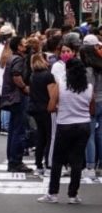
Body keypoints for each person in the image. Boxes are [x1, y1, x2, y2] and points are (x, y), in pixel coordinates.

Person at [39, 58, 93, 204]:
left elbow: (50, 107)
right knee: (77, 160)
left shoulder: (61, 86)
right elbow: (92, 109)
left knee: (57, 160)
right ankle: (73, 195)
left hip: (65, 125)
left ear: (67, 71)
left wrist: (61, 107)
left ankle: (53, 193)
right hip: (83, 125)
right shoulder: (89, 88)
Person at [0, 36, 32, 173]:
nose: (27, 45)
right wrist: (25, 87)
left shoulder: (12, 58)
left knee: (14, 129)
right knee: (19, 130)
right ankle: (15, 161)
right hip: (18, 97)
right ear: (19, 47)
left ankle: (13, 160)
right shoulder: (18, 59)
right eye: (24, 43)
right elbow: (16, 75)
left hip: (12, 97)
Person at [80, 34, 102, 179]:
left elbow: (90, 88)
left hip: (93, 102)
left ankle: (90, 165)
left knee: (90, 135)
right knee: (100, 133)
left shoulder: (88, 67)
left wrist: (89, 104)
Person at [28, 53, 54, 176]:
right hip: (47, 108)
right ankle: (48, 163)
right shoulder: (48, 76)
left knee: (41, 137)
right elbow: (52, 94)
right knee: (49, 137)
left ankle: (38, 164)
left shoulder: (33, 76)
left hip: (36, 109)